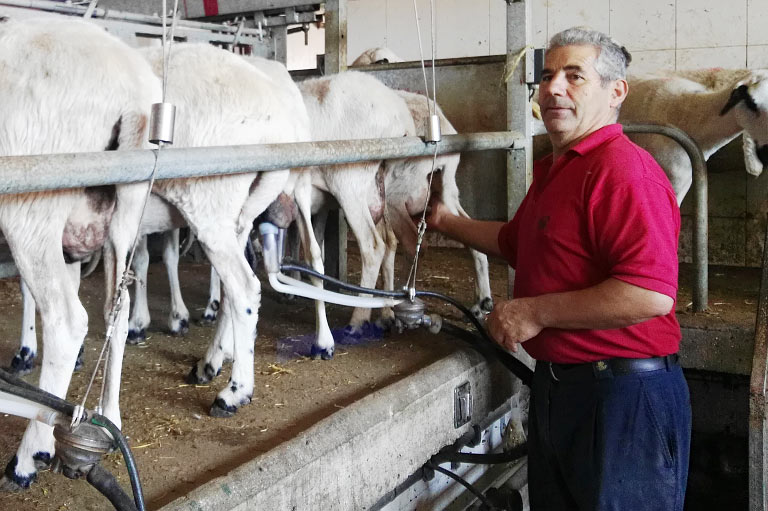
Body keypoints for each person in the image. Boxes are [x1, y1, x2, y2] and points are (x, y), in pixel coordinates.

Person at [422, 27, 691, 510]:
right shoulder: (557, 169)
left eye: (574, 76)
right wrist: (444, 221)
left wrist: (535, 313)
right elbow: (514, 243)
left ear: (616, 92)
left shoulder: (623, 170)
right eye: (546, 77)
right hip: (565, 389)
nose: (553, 89)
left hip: (624, 399)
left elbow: (649, 294)